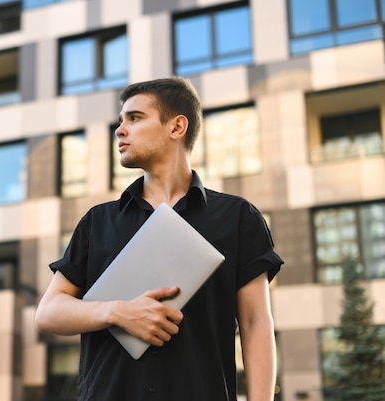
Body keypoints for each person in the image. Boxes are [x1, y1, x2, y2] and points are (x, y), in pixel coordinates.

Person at [35, 77, 283, 400]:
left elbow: (255, 323)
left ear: (177, 127)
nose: (120, 130)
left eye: (134, 118)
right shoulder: (98, 221)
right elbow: (48, 312)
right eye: (120, 121)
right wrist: (118, 312)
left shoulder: (237, 218)